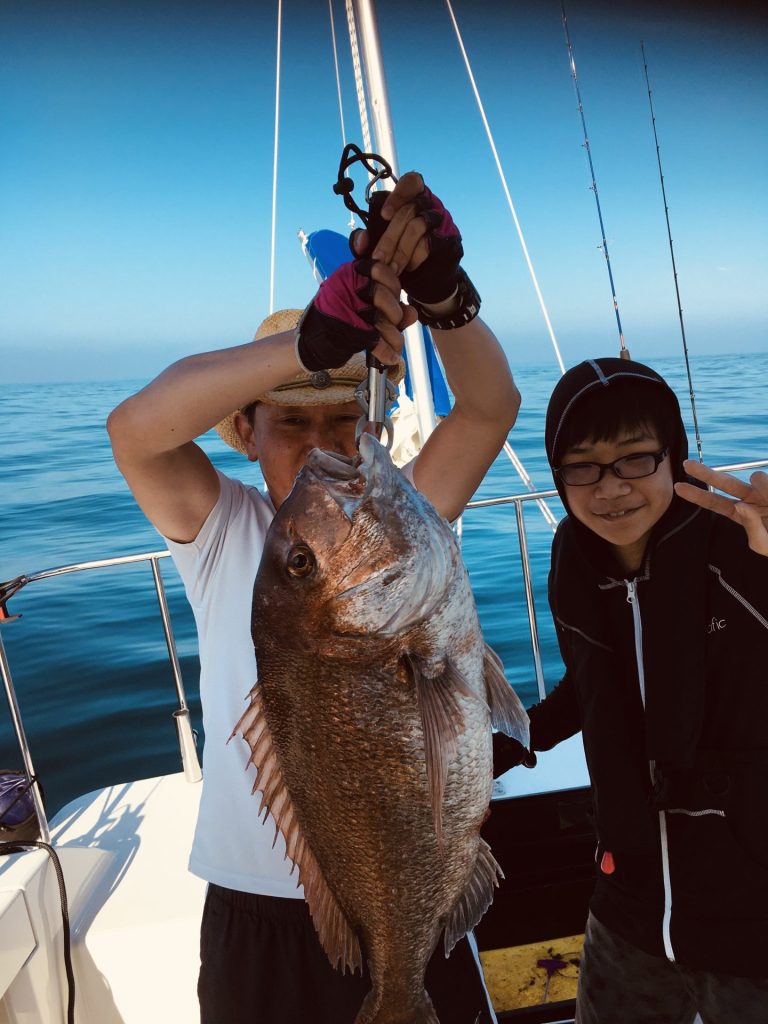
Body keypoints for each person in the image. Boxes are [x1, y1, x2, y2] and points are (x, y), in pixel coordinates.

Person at [107, 171, 520, 1024]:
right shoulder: (223, 528)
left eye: (343, 420)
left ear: (371, 427)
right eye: (291, 421)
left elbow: (489, 407)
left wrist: (444, 295)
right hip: (255, 915)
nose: (322, 442)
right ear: (245, 431)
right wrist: (308, 346)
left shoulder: (401, 524)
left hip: (411, 892)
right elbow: (134, 432)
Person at [495, 356, 768, 1023]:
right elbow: (590, 692)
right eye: (582, 465)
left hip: (753, 905)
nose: (609, 488)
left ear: (672, 458)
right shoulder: (573, 556)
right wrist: (497, 750)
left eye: (635, 460)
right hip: (632, 900)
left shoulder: (741, 549)